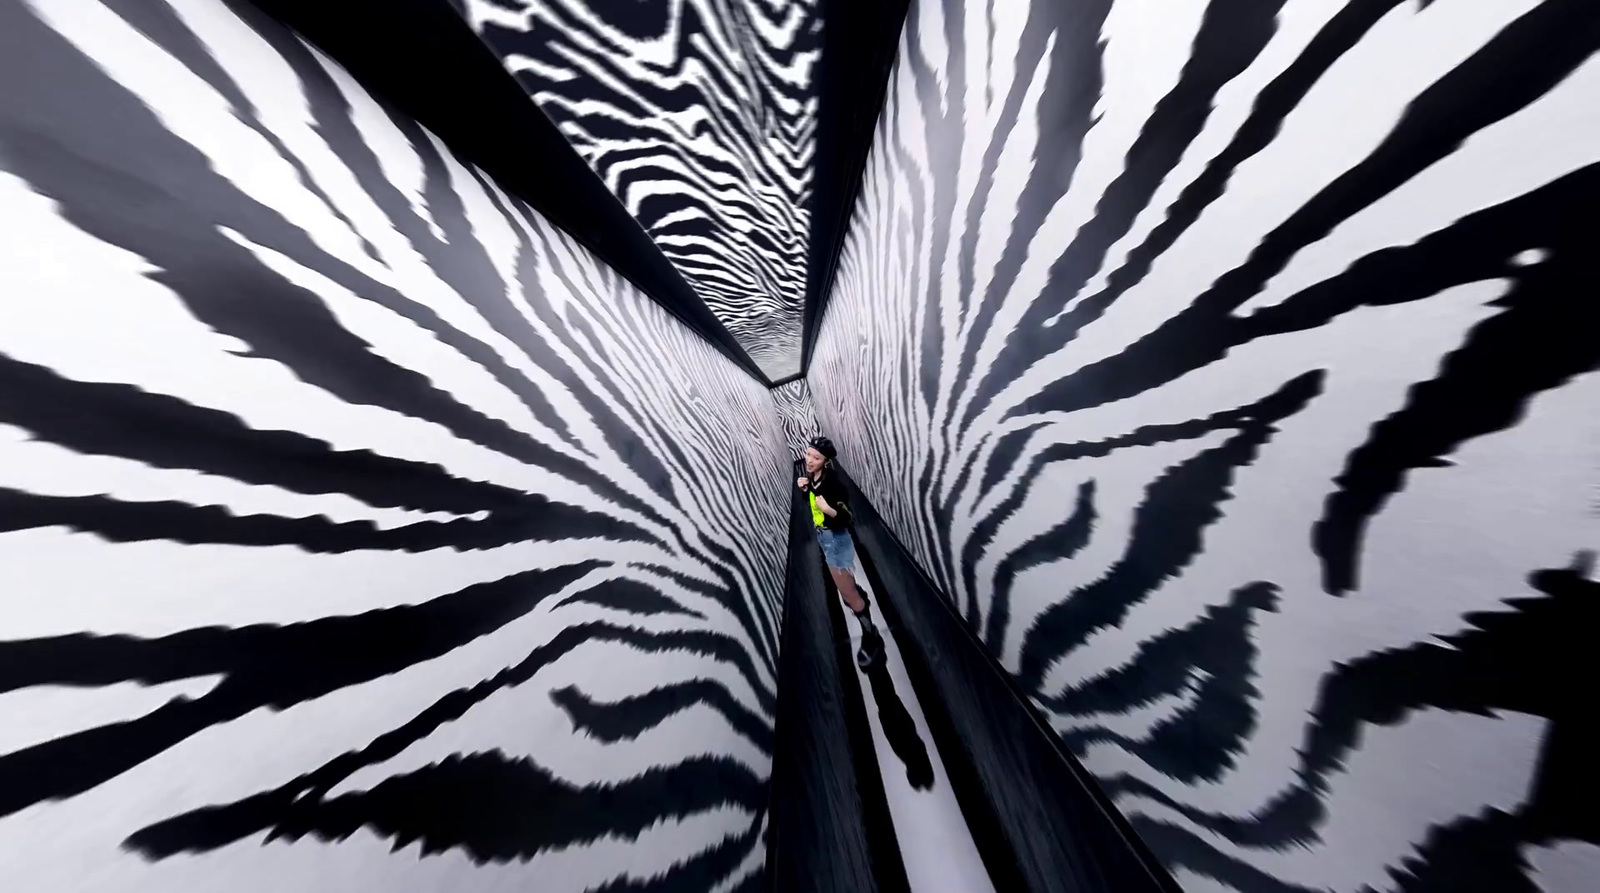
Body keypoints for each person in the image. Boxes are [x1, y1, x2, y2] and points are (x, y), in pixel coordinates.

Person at [796, 436, 884, 669]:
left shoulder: (833, 484)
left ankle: (871, 635)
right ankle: (858, 597)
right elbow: (814, 505)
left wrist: (829, 510)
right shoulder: (813, 479)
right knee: (846, 588)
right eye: (808, 454)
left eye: (816, 457)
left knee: (848, 595)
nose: (809, 460)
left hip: (836, 540)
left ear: (825, 461)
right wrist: (806, 492)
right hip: (824, 538)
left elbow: (847, 518)